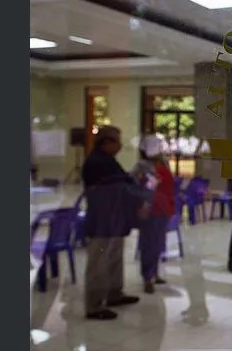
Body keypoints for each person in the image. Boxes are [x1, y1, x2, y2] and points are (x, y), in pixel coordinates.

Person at [81, 126, 147, 320]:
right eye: (117, 141)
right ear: (106, 142)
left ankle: (114, 293)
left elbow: (124, 181)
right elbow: (119, 185)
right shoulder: (96, 162)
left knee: (114, 258)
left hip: (115, 220)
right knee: (99, 262)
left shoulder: (109, 161)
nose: (120, 145)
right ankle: (94, 306)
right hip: (102, 224)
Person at [133, 135, 175, 294]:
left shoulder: (163, 163)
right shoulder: (142, 166)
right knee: (148, 244)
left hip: (163, 208)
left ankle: (155, 273)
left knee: (158, 243)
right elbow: (143, 187)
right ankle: (147, 277)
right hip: (150, 209)